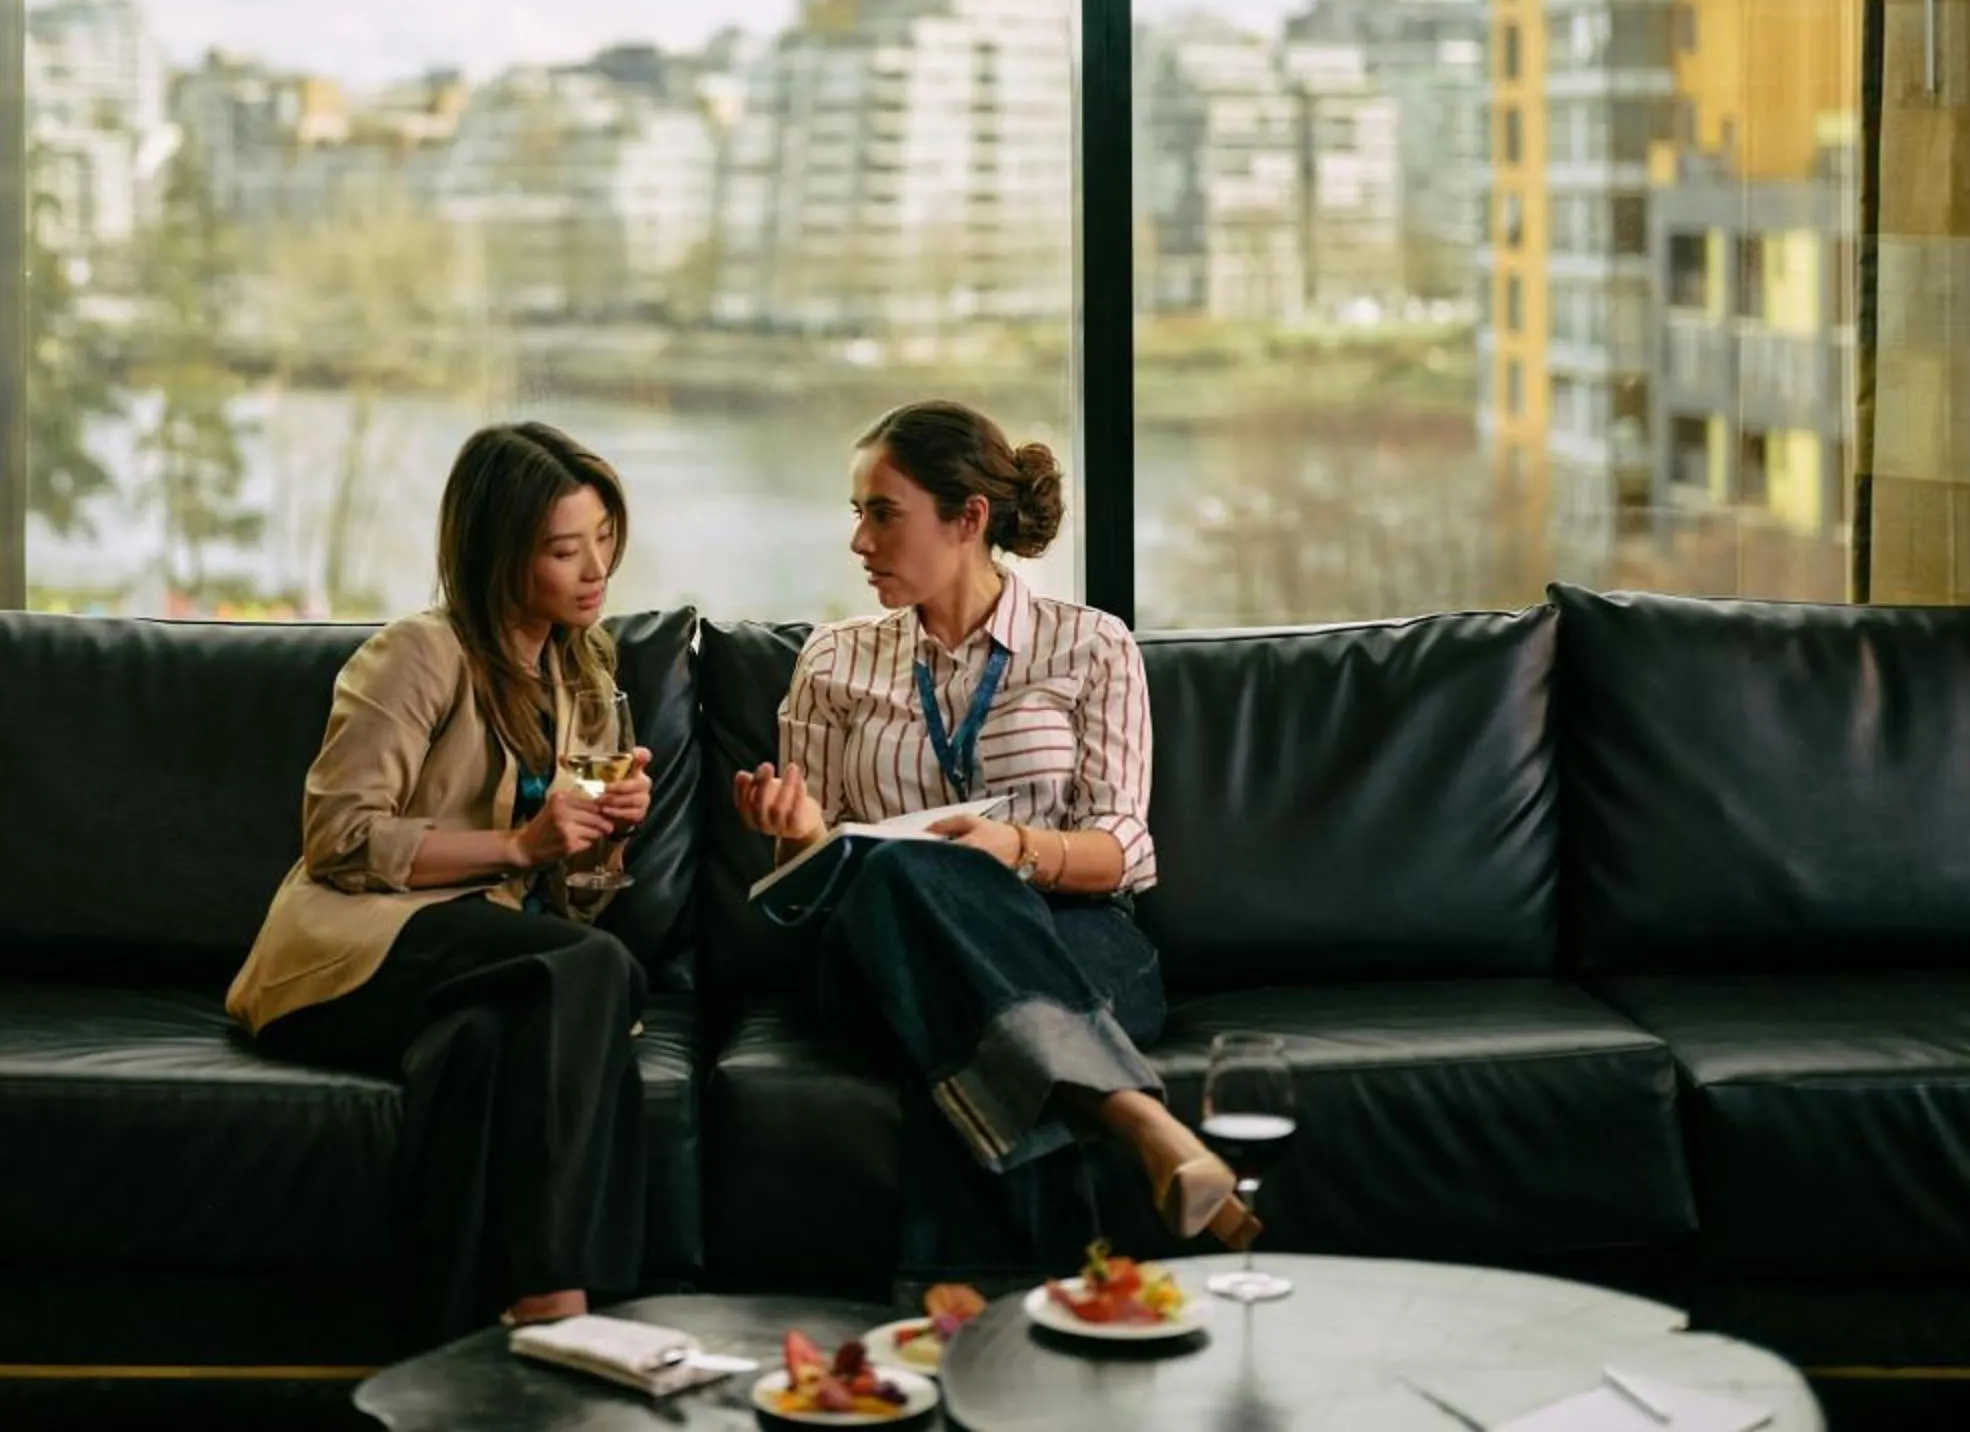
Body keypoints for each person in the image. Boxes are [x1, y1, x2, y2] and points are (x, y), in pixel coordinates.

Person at [730, 398, 1256, 1276]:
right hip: (880, 945)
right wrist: (804, 832)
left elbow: (1123, 845)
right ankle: (1139, 1117)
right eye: (856, 514)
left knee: (962, 1046)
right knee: (903, 879)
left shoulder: (1089, 646)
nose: (859, 541)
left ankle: (965, 1318)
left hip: (1074, 935)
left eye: (883, 513)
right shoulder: (833, 660)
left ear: (968, 518)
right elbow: (805, 883)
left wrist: (1015, 851)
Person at [229, 422, 655, 1334]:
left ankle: (453, 1334)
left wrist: (602, 842)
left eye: (604, 543)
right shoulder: (418, 654)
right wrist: (518, 847)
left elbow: (570, 895)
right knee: (597, 970)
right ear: (499, 551)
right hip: (355, 949)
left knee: (488, 1044)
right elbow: (339, 837)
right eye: (564, 550)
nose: (595, 572)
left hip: (486, 952)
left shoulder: (586, 673)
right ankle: (569, 1302)